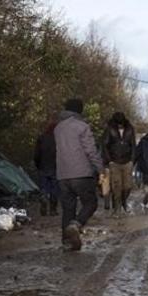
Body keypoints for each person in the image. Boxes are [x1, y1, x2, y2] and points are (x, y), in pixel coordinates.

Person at [54, 98, 103, 251]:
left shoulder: (58, 128)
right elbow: (90, 151)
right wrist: (100, 169)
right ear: (80, 110)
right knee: (90, 203)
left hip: (62, 175)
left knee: (68, 209)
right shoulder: (82, 127)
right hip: (81, 173)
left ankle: (67, 243)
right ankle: (76, 225)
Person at [101, 112, 136, 216]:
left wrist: (132, 160)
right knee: (117, 186)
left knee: (128, 186)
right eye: (118, 123)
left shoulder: (130, 129)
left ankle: (123, 201)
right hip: (114, 162)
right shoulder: (109, 129)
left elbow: (133, 145)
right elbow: (104, 145)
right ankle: (117, 208)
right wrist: (109, 160)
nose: (120, 125)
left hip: (127, 162)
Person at [33, 121, 59, 217]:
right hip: (55, 166)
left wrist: (37, 164)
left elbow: (36, 154)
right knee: (54, 188)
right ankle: (53, 210)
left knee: (44, 186)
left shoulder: (41, 138)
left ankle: (43, 197)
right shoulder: (58, 139)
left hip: (43, 166)